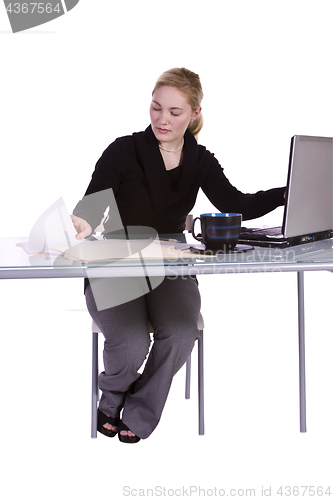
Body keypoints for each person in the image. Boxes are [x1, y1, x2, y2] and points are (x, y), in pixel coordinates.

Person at [71, 68, 285, 443]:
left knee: (183, 331)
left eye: (174, 111)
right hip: (116, 256)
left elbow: (237, 203)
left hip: (173, 257)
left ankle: (139, 408)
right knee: (133, 340)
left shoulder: (200, 159)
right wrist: (81, 223)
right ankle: (111, 396)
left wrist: (287, 193)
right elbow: (92, 204)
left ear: (195, 113)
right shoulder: (124, 149)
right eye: (156, 108)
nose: (162, 119)